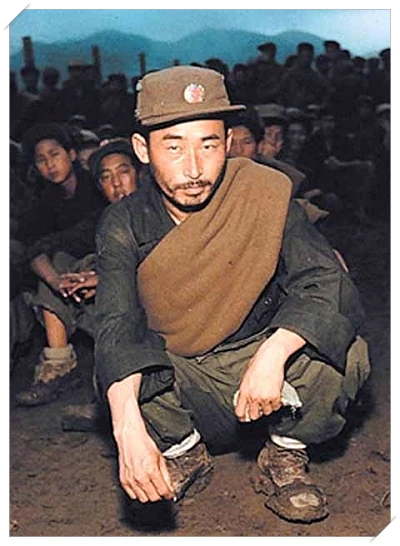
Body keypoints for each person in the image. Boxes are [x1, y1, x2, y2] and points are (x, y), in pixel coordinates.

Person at [93, 66, 370, 525]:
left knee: (345, 348)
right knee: (124, 370)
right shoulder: (124, 222)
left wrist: (274, 353)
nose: (193, 168)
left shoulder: (263, 193)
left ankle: (284, 454)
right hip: (186, 383)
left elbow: (326, 280)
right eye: (173, 147)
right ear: (142, 149)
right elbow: (116, 324)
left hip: (268, 377)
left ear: (227, 142)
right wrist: (126, 430)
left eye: (208, 145)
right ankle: (184, 451)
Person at [15, 138, 141, 406]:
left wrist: (101, 278)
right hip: (92, 270)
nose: (50, 165)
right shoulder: (45, 202)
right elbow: (40, 245)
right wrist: (58, 280)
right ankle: (59, 364)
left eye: (55, 154)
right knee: (60, 261)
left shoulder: (152, 206)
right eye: (41, 159)